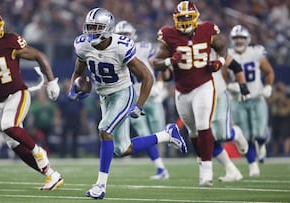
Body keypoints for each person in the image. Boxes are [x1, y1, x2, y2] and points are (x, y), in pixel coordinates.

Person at [68, 8, 187, 199]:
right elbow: (79, 71)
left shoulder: (121, 46)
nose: (92, 32)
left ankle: (100, 185)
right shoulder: (83, 45)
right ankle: (167, 135)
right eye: (89, 28)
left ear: (107, 29)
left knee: (105, 130)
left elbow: (147, 77)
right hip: (104, 96)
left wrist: (139, 105)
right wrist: (74, 89)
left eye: (96, 28)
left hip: (123, 93)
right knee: (122, 149)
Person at [0, 9, 64, 190]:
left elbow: (40, 56)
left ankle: (38, 151)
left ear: (1, 27)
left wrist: (52, 81)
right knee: (13, 143)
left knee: (10, 125)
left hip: (17, 94)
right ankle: (51, 174)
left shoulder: (10, 41)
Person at [151, 1, 250, 186]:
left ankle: (207, 170)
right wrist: (169, 61)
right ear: (175, 20)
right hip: (182, 90)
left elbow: (223, 50)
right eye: (182, 18)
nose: (185, 21)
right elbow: (155, 61)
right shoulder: (169, 34)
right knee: (193, 131)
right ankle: (222, 167)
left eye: (188, 17)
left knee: (205, 125)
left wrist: (219, 62)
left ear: (195, 18)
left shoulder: (207, 30)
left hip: (205, 85)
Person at [114, 20, 170, 180]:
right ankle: (161, 169)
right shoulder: (113, 52)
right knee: (145, 135)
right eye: (121, 35)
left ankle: (162, 168)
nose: (124, 37)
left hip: (152, 96)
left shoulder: (144, 48)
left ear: (133, 35)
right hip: (133, 99)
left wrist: (160, 84)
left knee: (158, 132)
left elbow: (159, 65)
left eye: (126, 34)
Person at [224, 24, 275, 177]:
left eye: (242, 38)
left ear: (248, 39)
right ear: (232, 40)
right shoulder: (228, 54)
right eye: (236, 38)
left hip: (256, 97)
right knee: (245, 136)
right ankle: (253, 165)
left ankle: (261, 144)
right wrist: (231, 86)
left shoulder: (256, 52)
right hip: (238, 100)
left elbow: (269, 71)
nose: (239, 41)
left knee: (259, 133)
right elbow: (223, 78)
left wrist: (269, 86)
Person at [210, 49, 249, 182]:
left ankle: (235, 133)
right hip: (195, 97)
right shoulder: (181, 46)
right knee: (206, 137)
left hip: (218, 93)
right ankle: (231, 171)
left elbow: (235, 66)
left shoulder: (212, 47)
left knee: (222, 135)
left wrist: (243, 86)